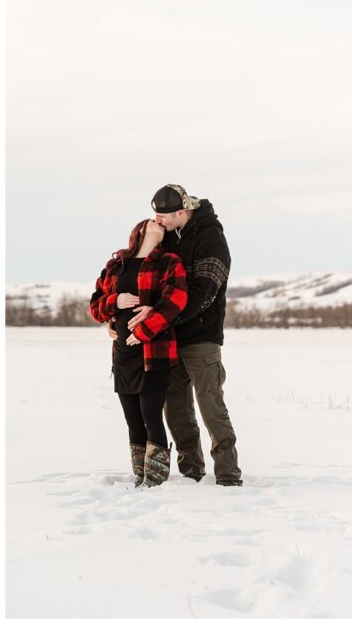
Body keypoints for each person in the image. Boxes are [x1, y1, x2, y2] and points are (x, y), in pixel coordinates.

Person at [127, 184, 243, 486]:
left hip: (202, 336)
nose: (158, 221)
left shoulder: (211, 238)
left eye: (162, 216)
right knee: (175, 407)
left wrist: (161, 316)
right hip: (168, 338)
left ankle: (228, 475)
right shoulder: (167, 239)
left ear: (181, 212)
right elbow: (147, 283)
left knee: (210, 404)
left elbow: (205, 292)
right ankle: (191, 471)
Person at [90, 219, 188, 488]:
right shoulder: (116, 266)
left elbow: (175, 301)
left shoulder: (169, 262)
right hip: (122, 355)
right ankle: (140, 475)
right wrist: (115, 301)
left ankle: (155, 479)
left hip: (154, 351)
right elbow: (96, 306)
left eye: (162, 222)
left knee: (150, 414)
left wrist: (144, 330)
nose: (159, 221)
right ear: (139, 230)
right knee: (132, 417)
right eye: (152, 219)